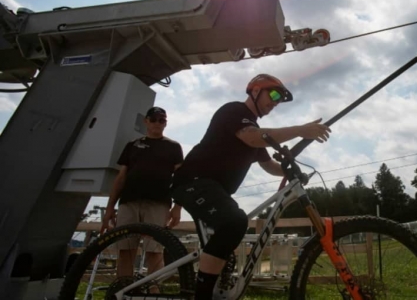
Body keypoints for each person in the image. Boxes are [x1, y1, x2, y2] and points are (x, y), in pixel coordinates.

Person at [171, 74, 331, 299]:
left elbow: (270, 166)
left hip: (214, 191)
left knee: (227, 245)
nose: (275, 102)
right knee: (234, 222)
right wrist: (300, 130)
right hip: (193, 181)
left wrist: (292, 171)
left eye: (280, 99)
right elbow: (254, 138)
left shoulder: (255, 130)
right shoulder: (235, 112)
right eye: (274, 94)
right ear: (255, 90)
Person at [101, 106, 184, 279]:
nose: (157, 123)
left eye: (161, 120)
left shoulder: (173, 147)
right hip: (129, 202)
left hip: (158, 203)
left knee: (154, 250)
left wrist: (178, 206)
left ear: (165, 123)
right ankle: (124, 290)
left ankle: (152, 291)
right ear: (146, 121)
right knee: (126, 250)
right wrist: (110, 208)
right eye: (153, 119)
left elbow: (182, 178)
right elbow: (121, 177)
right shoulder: (133, 145)